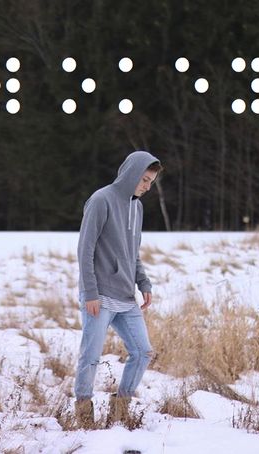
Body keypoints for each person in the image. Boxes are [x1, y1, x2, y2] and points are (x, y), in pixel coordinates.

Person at [74, 150, 162, 429]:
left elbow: (132, 252)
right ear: (131, 173)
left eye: (151, 182)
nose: (147, 187)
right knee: (91, 356)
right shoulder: (101, 200)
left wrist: (143, 283)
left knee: (143, 353)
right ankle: (84, 413)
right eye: (144, 180)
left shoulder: (137, 207)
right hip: (99, 295)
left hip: (126, 296)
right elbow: (85, 249)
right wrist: (90, 293)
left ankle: (119, 408)